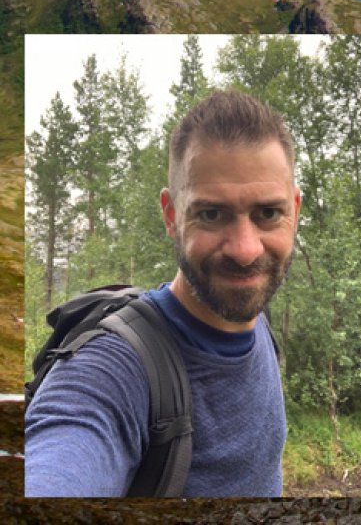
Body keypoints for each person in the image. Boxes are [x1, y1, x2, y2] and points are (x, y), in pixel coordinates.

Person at [26, 88, 300, 497]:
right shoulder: (112, 369)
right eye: (211, 214)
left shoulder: (256, 317)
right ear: (172, 216)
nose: (245, 251)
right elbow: (63, 456)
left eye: (267, 214)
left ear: (294, 212)